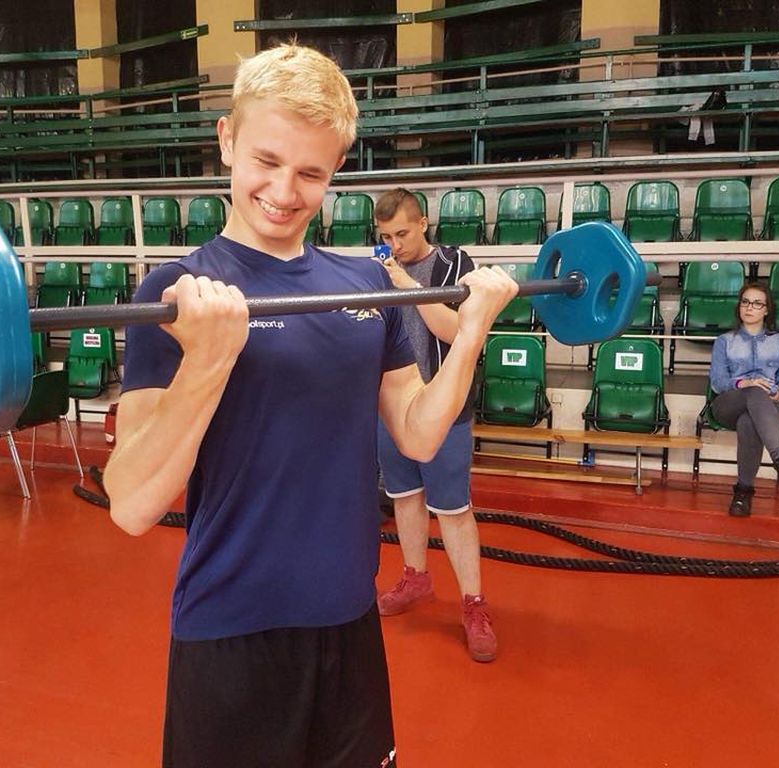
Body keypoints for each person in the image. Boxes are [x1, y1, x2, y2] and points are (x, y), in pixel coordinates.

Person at [103, 43, 517, 768]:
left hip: (347, 622)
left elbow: (419, 435)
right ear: (227, 139)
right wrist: (208, 357)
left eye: (311, 173)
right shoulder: (176, 293)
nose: (284, 191)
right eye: (266, 160)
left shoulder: (365, 286)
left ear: (336, 170)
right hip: (230, 631)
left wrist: (473, 332)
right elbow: (133, 504)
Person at [371, 188, 496, 663]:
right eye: (386, 236)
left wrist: (405, 284)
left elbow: (456, 331)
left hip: (444, 408)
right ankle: (415, 576)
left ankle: (473, 603)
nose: (395, 244)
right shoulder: (380, 270)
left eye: (402, 233)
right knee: (404, 497)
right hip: (393, 407)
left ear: (423, 223)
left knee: (454, 509)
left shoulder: (454, 263)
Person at [708, 281, 779, 517]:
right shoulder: (725, 341)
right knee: (754, 391)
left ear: (766, 310)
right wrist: (743, 383)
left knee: (749, 421)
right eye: (745, 302)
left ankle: (743, 492)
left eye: (757, 303)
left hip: (769, 406)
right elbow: (718, 382)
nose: (749, 307)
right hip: (729, 403)